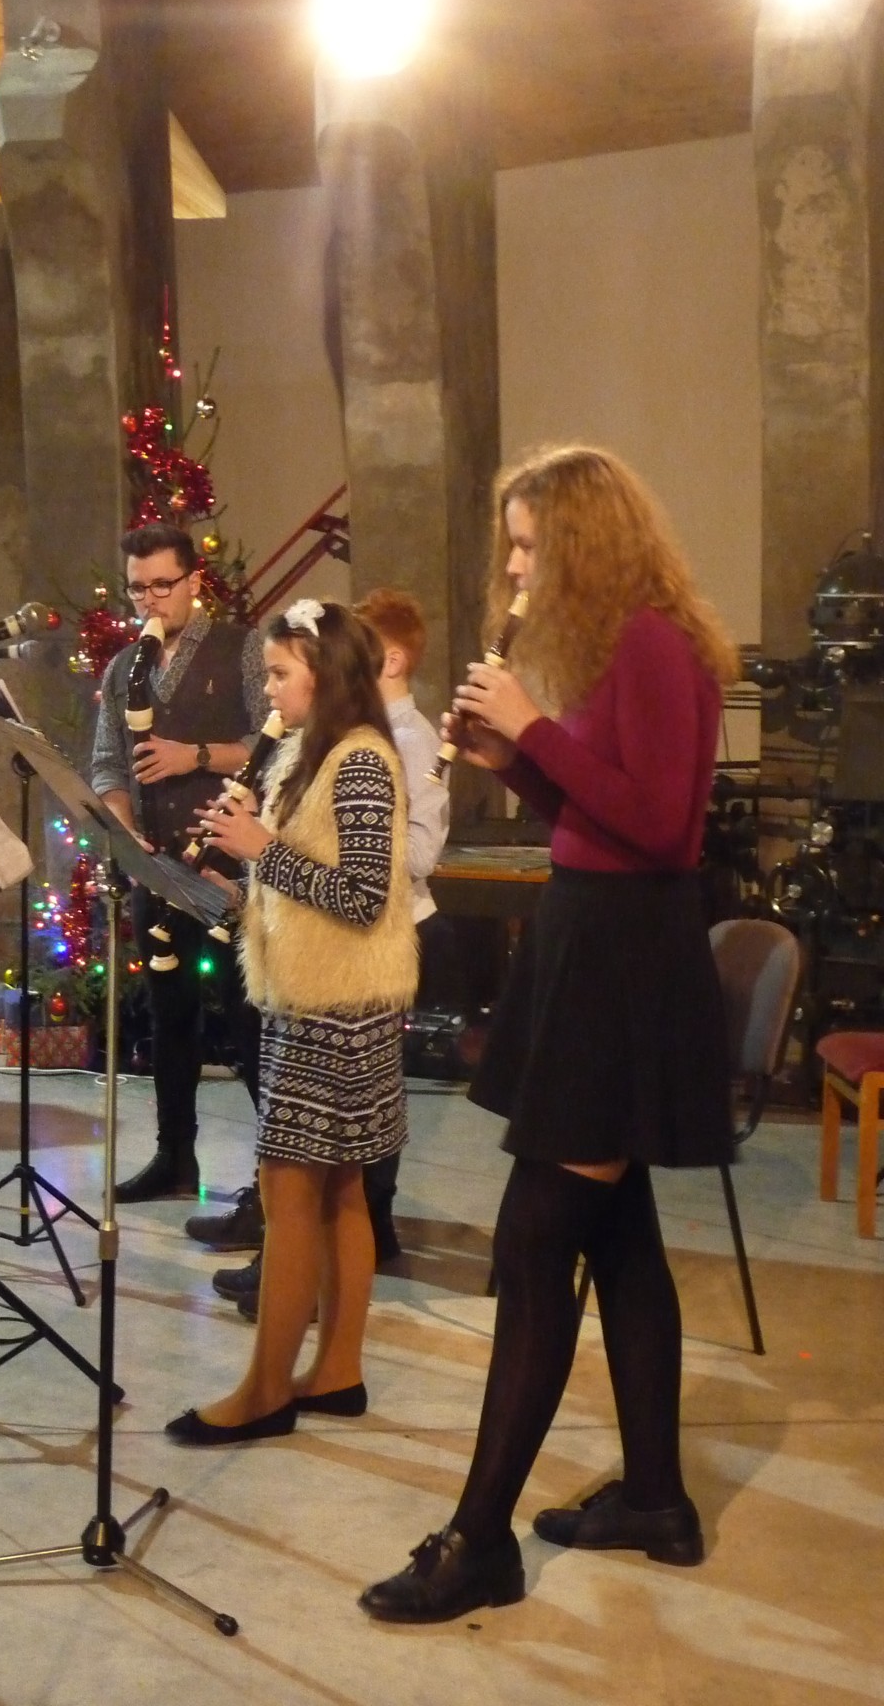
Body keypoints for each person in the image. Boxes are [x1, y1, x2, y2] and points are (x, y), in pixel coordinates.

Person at [359, 445, 738, 1622]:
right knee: (617, 1236)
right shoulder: (627, 647)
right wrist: (517, 764)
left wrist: (534, 726)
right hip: (599, 941)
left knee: (533, 1246)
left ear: (582, 543)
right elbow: (596, 816)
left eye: (529, 546)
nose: (516, 569)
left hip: (623, 960)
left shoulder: (655, 644)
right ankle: (657, 1500)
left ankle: (478, 1544)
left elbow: (663, 830)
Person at [165, 598, 418, 1445]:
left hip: (336, 1011)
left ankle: (266, 1390)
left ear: (327, 674)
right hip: (310, 998)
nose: (268, 690)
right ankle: (337, 1371)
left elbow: (361, 896)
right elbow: (304, 881)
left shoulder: (361, 761)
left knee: (290, 1193)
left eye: (279, 674)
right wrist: (238, 887)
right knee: (339, 1191)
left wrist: (260, 850)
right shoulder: (310, 756)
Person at [90, 524, 266, 1203]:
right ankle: (174, 1156)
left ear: (195, 580)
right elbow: (108, 763)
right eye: (138, 588)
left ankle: (275, 1176)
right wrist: (124, 831)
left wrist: (193, 756)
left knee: (248, 1018)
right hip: (158, 868)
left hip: (230, 865)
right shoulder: (123, 668)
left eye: (163, 585)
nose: (150, 600)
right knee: (169, 1016)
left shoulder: (242, 648)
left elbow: (271, 743)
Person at [353, 588, 452, 1261]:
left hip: (396, 927)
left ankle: (373, 1222)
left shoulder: (413, 741)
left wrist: (344, 840)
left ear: (390, 660)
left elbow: (419, 855)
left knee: (374, 1083)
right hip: (354, 925)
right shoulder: (358, 732)